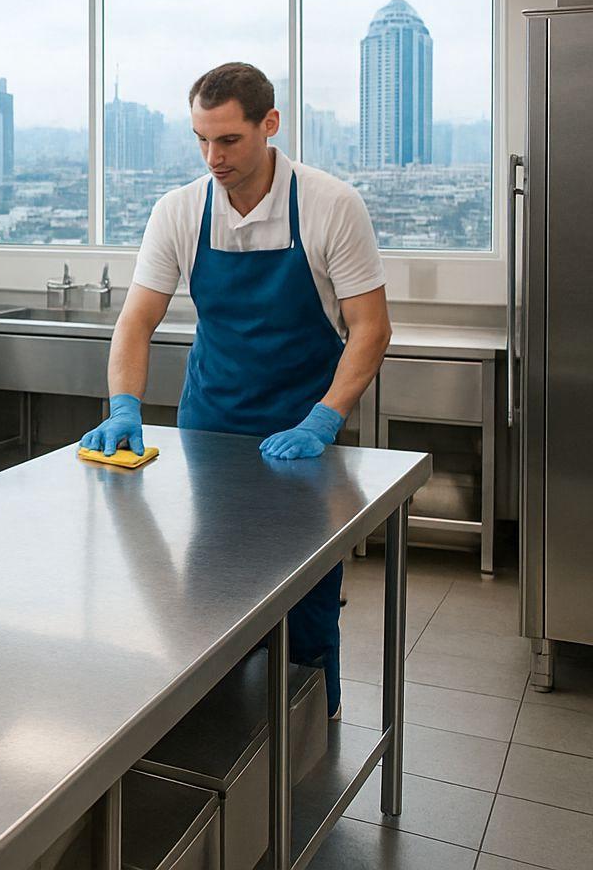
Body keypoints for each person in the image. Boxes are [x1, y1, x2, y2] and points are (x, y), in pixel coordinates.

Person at [80, 62, 391, 717]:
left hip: (302, 434)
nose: (212, 157)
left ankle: (310, 730)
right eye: (201, 139)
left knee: (305, 595)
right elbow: (137, 319)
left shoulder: (332, 204)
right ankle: (222, 738)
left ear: (269, 126)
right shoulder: (180, 210)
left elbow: (370, 330)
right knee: (213, 585)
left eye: (228, 140)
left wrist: (322, 422)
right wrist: (125, 405)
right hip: (211, 429)